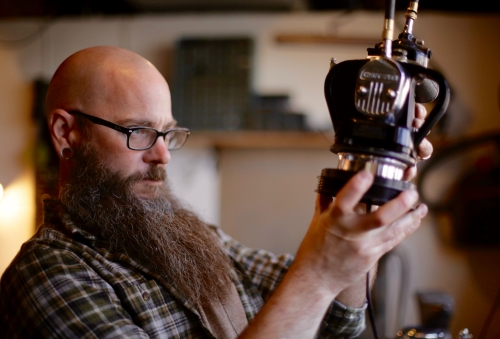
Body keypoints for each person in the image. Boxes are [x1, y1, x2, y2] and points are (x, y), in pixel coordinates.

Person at [0, 46, 431, 338]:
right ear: (65, 133)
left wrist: (366, 199)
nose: (163, 156)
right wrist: (318, 276)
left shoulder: (190, 236)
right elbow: (314, 287)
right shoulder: (46, 275)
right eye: (138, 132)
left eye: (168, 134)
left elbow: (333, 321)